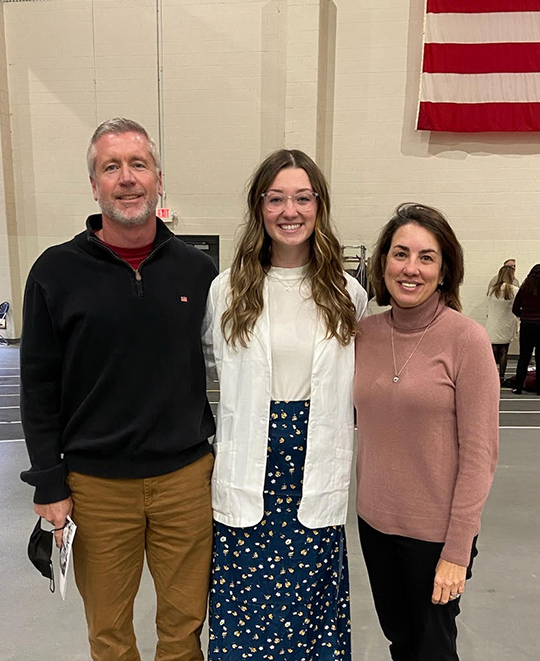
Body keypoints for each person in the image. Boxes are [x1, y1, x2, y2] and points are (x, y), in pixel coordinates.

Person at [20, 118, 217, 660]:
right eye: (112, 167)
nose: (127, 178)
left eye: (138, 164)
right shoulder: (55, 272)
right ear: (94, 184)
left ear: (158, 179)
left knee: (183, 628)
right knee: (109, 633)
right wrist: (48, 483)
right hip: (96, 487)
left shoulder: (199, 273)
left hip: (185, 481)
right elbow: (37, 386)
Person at [203, 149, 368, 660]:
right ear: (259, 207)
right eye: (276, 198)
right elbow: (210, 368)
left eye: (302, 197)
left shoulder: (347, 294)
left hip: (312, 469)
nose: (289, 210)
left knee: (309, 617)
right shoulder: (226, 291)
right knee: (244, 617)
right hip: (248, 467)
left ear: (319, 206)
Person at [354, 203, 499, 661]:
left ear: (444, 269)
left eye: (426, 257)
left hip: (435, 534)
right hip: (374, 524)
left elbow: (479, 456)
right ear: (383, 263)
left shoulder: (467, 340)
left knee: (433, 649)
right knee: (401, 641)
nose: (410, 269)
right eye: (400, 254)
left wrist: (457, 550)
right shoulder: (363, 334)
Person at [486, 265, 519, 384]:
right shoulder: (514, 290)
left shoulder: (492, 290)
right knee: (504, 351)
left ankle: (491, 375)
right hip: (506, 323)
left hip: (493, 322)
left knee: (493, 351)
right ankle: (501, 376)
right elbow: (518, 306)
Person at [511, 264, 540, 396]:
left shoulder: (524, 289)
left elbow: (515, 308)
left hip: (527, 324)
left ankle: (518, 387)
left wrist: (523, 316)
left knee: (524, 357)